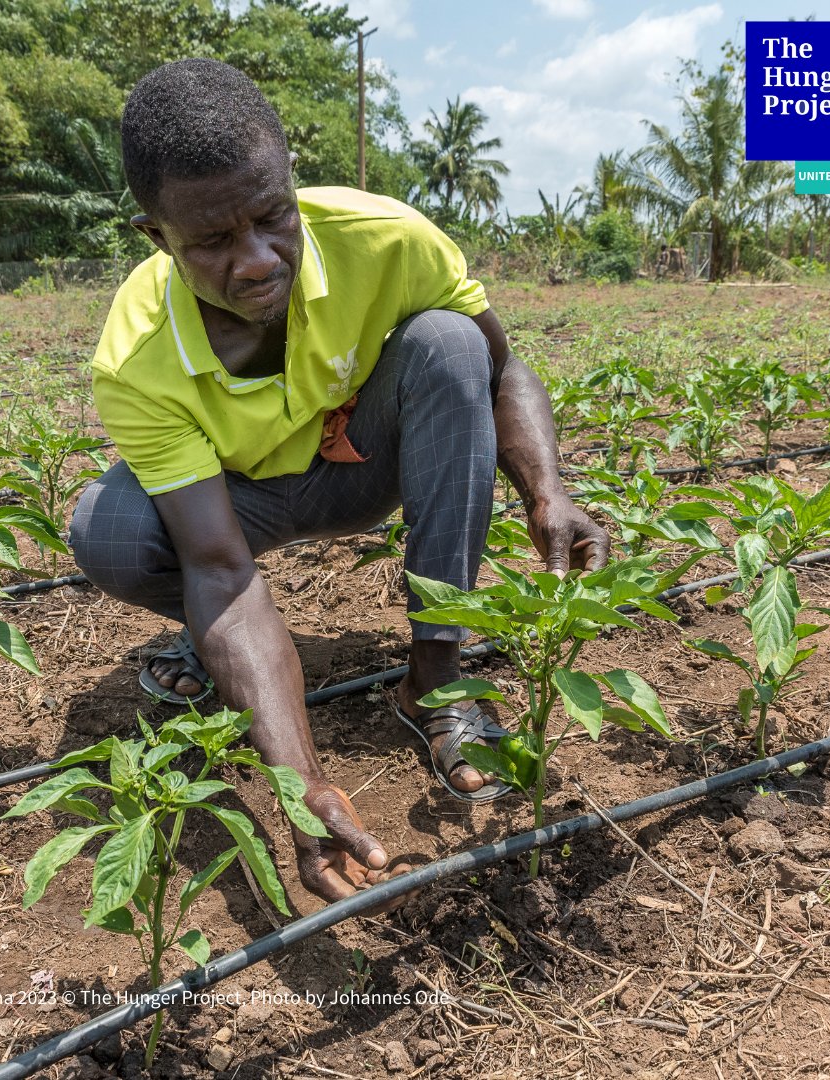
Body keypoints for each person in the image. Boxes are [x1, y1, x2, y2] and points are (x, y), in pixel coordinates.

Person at [69, 58, 610, 907]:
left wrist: (546, 489)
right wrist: (301, 784)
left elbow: (501, 371)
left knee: (449, 344)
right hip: (236, 505)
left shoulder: (388, 239)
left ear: (292, 186)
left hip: (362, 469)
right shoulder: (135, 355)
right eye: (212, 240)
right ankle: (221, 654)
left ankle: (436, 678)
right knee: (106, 529)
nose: (255, 260)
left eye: (272, 217)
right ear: (157, 236)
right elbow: (218, 563)